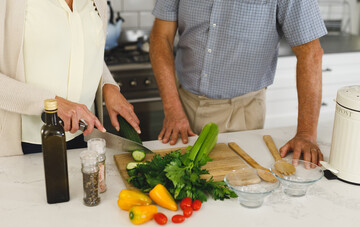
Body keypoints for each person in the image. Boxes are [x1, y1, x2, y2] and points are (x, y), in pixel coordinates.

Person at [149, 0, 327, 166]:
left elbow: (310, 53)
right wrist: (172, 108)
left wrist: (306, 134)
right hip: (181, 107)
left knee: (235, 190)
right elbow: (161, 36)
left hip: (241, 115)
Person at [0, 0, 140, 157]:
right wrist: (52, 103)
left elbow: (85, 48)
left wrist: (108, 85)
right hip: (27, 143)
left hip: (84, 136)